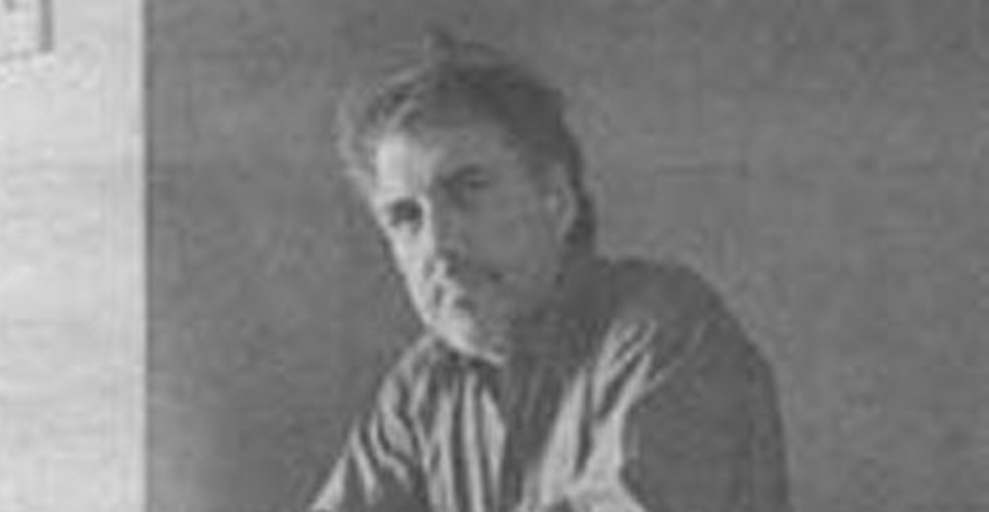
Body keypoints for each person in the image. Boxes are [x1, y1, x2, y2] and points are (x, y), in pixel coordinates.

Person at [310, 32, 792, 512]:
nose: (438, 244)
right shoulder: (419, 390)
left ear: (556, 199)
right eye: (405, 217)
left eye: (468, 190)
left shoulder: (666, 332)